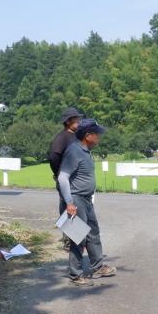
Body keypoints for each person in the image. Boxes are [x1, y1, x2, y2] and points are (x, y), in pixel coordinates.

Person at [58, 118, 117, 286]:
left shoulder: (85, 150)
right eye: (96, 134)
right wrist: (69, 203)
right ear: (88, 135)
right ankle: (75, 275)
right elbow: (63, 177)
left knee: (93, 233)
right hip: (76, 200)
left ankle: (98, 266)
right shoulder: (74, 151)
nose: (98, 137)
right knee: (79, 237)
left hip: (86, 200)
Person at [48, 107, 83, 217]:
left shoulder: (76, 136)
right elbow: (53, 156)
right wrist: (59, 172)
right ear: (68, 121)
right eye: (76, 119)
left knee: (78, 215)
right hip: (66, 181)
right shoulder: (62, 137)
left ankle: (74, 234)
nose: (79, 121)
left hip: (77, 182)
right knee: (68, 213)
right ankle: (67, 235)